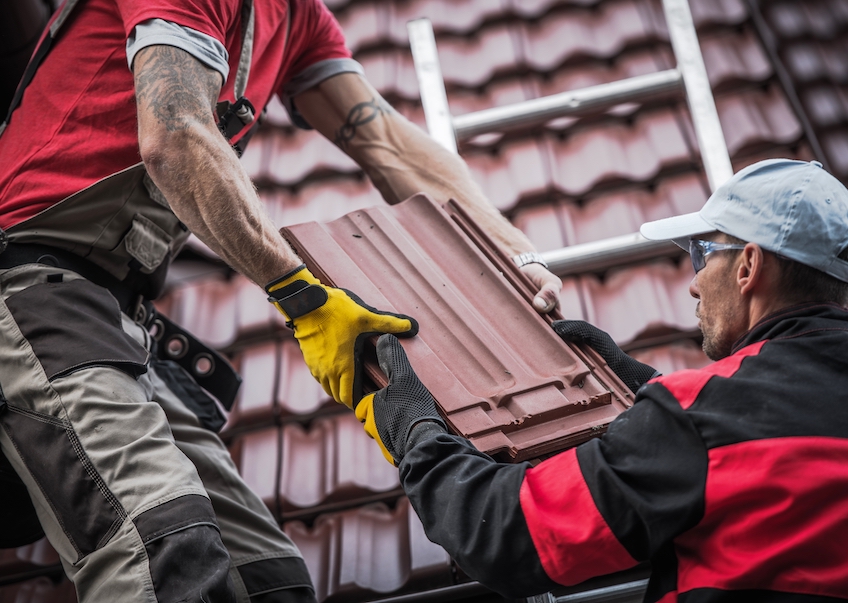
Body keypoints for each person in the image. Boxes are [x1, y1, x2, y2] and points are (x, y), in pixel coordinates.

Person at [0, 0, 562, 601]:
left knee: (269, 580)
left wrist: (514, 257)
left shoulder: (300, 19)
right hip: (31, 292)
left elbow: (387, 143)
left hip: (113, 319)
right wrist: (306, 298)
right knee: (164, 550)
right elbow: (176, 136)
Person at [356, 159, 848, 602]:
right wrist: (650, 397)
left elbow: (502, 533)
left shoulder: (696, 422)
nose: (693, 284)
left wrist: (417, 430)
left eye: (702, 253)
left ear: (747, 267)